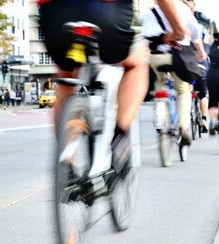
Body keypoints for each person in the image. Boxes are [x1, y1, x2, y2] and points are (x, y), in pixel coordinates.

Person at [38, 0, 186, 181]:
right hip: (108, 13)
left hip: (55, 15)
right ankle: (118, 141)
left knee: (66, 74)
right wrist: (178, 29)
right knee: (137, 63)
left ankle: (66, 162)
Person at [142, 0, 207, 147]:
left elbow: (145, 36)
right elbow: (195, 34)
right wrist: (201, 52)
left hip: (157, 57)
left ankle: (160, 116)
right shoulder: (183, 9)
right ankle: (182, 126)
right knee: (183, 90)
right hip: (179, 57)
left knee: (160, 81)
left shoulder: (149, 12)